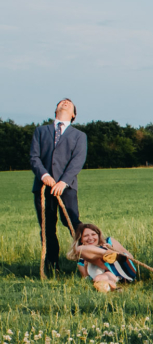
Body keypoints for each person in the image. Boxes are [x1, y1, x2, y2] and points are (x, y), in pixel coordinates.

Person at [29, 99, 86, 274]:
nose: (65, 103)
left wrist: (63, 182)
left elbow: (78, 160)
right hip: (43, 188)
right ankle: (52, 268)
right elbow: (34, 157)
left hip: (67, 188)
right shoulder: (40, 131)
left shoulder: (79, 135)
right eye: (62, 102)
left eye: (69, 103)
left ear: (74, 114)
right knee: (47, 228)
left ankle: (89, 262)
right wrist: (44, 175)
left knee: (74, 225)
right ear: (56, 110)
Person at [68, 223, 137, 292]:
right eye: (86, 236)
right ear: (81, 240)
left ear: (98, 235)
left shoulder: (109, 242)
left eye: (93, 234)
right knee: (97, 279)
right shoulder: (81, 260)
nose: (90, 238)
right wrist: (86, 265)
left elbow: (130, 257)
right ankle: (114, 288)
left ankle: (108, 253)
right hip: (114, 275)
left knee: (79, 249)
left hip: (124, 267)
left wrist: (114, 250)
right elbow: (86, 278)